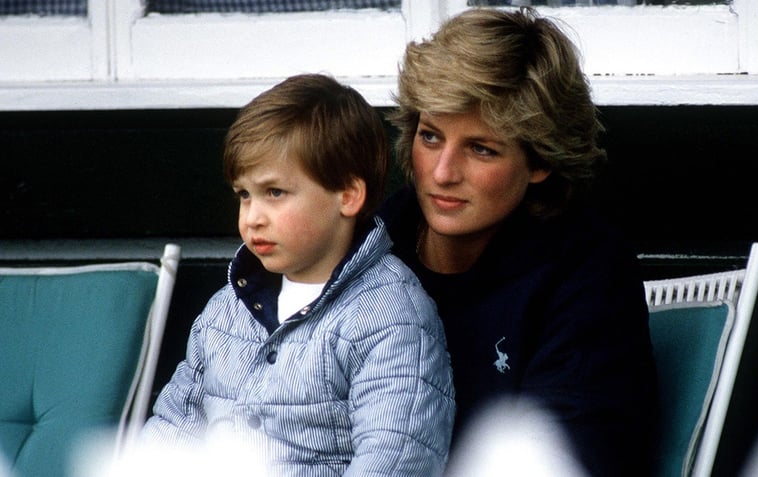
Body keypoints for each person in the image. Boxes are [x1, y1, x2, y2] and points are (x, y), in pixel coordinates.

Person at [378, 7, 658, 476]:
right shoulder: (374, 244)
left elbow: (566, 453)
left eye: (480, 148)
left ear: (539, 161)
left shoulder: (586, 270)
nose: (443, 172)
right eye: (430, 137)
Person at [140, 74, 455, 476]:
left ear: (347, 195)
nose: (253, 217)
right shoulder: (225, 311)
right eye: (244, 195)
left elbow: (396, 455)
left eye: (275, 193)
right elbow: (174, 428)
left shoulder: (389, 317)